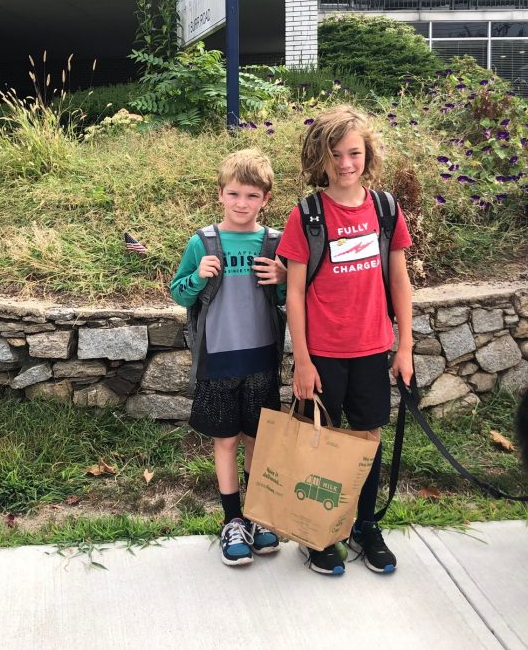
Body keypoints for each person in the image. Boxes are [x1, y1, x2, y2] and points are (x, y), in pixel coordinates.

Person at [277, 104, 414, 577]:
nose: (345, 164)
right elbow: (293, 293)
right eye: (335, 155)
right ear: (321, 158)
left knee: (367, 438)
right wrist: (302, 360)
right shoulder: (308, 214)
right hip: (324, 354)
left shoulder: (386, 209)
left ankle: (364, 525)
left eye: (353, 153)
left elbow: (399, 281)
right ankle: (317, 530)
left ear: (367, 153)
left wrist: (406, 345)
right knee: (320, 441)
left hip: (373, 347)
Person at [170, 148, 288, 567]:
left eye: (252, 196)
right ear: (220, 194)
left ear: (265, 199)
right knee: (226, 440)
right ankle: (232, 520)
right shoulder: (202, 242)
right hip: (218, 360)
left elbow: (286, 300)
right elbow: (178, 291)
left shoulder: (273, 242)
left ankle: (257, 516)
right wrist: (197, 275)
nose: (242, 204)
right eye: (234, 194)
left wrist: (282, 279)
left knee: (258, 440)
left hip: (261, 360)